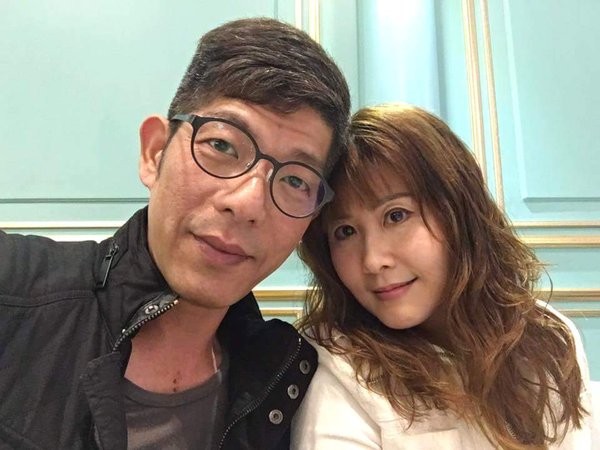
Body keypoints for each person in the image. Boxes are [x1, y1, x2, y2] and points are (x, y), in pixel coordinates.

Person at [0, 18, 350, 450]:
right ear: (155, 154)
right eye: (222, 146)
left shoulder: (286, 380)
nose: (247, 203)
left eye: (296, 180)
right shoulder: (13, 292)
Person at [292, 104, 592, 449]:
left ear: (458, 212)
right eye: (345, 232)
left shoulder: (547, 337)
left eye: (396, 215)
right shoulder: (336, 368)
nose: (373, 261)